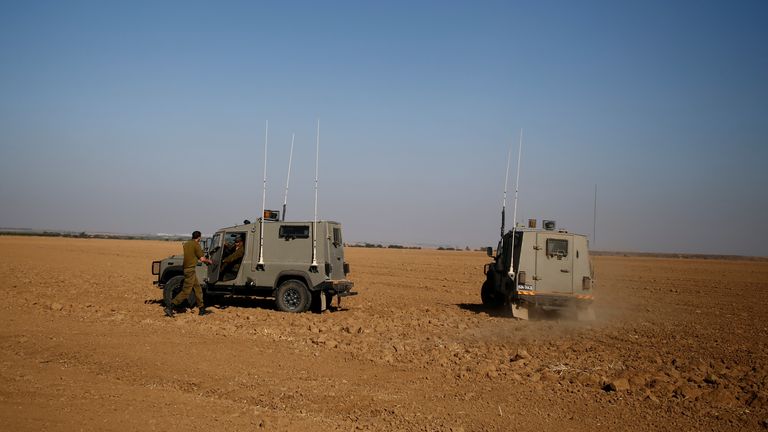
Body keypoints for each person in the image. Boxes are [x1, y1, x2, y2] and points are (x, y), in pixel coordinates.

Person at [164, 231, 213, 317]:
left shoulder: (186, 244)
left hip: (187, 269)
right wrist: (209, 261)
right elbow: (202, 259)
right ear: (199, 237)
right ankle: (170, 307)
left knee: (198, 289)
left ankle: (201, 309)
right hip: (190, 270)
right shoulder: (196, 245)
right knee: (186, 291)